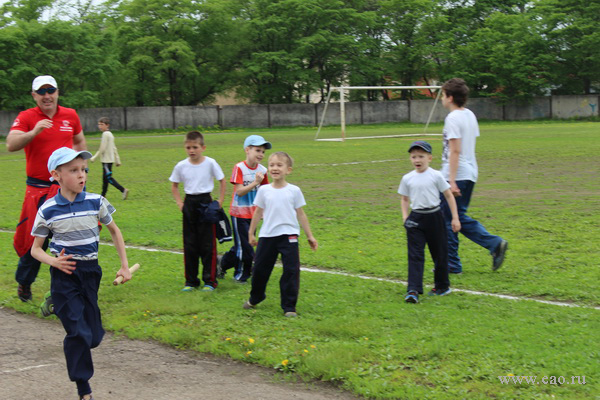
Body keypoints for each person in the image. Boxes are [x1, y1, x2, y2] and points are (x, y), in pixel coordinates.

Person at [30, 147, 132, 400]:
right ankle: (84, 390)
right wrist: (54, 262)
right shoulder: (48, 209)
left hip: (90, 272)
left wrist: (124, 265)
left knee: (94, 337)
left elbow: (115, 232)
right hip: (64, 274)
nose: (81, 175)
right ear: (57, 175)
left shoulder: (96, 202)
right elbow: (35, 250)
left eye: (83, 170)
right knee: (78, 333)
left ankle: (56, 303)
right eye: (73, 170)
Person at [6, 75, 87, 302]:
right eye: (41, 92)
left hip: (66, 189)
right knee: (37, 239)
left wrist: (82, 170)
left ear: (57, 92)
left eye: (50, 90)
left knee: (72, 238)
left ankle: (65, 290)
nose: (47, 95)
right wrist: (34, 132)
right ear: (34, 96)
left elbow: (79, 141)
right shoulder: (27, 117)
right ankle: (24, 282)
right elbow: (11, 144)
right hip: (38, 190)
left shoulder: (70, 115)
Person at [439, 78, 508, 274]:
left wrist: (451, 181)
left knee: (448, 218)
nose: (442, 99)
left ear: (450, 97)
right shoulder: (469, 114)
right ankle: (494, 244)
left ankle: (452, 265)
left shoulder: (452, 118)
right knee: (457, 215)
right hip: (470, 172)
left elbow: (455, 151)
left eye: (443, 95)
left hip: (457, 174)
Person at [242, 152, 318, 317]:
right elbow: (257, 213)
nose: (275, 168)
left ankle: (289, 306)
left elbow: (301, 214)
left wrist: (310, 236)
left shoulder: (294, 190)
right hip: (268, 236)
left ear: (288, 170)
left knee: (291, 270)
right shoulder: (263, 190)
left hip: (289, 236)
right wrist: (251, 232)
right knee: (260, 269)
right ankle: (256, 297)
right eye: (272, 165)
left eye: (279, 165)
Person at [399, 141, 461, 304]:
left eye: (421, 156)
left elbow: (448, 196)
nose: (417, 160)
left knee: (440, 253)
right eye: (414, 157)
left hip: (435, 217)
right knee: (415, 255)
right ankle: (413, 290)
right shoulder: (407, 178)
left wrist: (455, 217)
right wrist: (406, 217)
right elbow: (404, 199)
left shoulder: (436, 175)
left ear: (430, 158)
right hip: (416, 219)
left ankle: (442, 286)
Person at [170, 131, 226, 291]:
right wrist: (180, 203)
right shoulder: (181, 166)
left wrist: (220, 201)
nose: (191, 150)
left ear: (203, 147)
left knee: (208, 244)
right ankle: (191, 281)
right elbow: (174, 185)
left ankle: (210, 281)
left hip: (206, 203)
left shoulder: (210, 163)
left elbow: (222, 181)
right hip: (189, 203)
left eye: (195, 147)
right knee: (190, 244)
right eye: (188, 147)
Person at [219, 135, 271, 283]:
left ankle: (221, 263)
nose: (261, 154)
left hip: (253, 214)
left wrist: (264, 211)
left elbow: (265, 192)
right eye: (258, 150)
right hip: (239, 214)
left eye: (263, 152)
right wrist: (255, 182)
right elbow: (240, 191)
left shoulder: (263, 170)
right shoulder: (239, 168)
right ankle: (241, 275)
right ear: (247, 150)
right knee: (246, 248)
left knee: (243, 245)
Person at [90, 117, 129, 200]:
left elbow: (102, 148)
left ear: (107, 125)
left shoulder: (105, 134)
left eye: (102, 124)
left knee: (108, 178)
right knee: (105, 179)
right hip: (109, 160)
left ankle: (123, 190)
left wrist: (94, 157)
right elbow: (114, 148)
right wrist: (117, 159)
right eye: (99, 124)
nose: (100, 126)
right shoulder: (110, 134)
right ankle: (103, 196)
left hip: (106, 160)